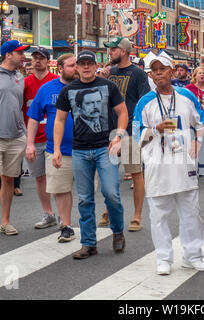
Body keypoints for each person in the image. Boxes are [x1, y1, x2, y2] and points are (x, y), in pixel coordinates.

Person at [133, 56, 204, 275]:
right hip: (158, 165)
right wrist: (155, 129)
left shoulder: (186, 96)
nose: (158, 73)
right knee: (158, 214)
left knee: (191, 213)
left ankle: (193, 255)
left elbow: (202, 122)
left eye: (162, 69)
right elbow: (136, 133)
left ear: (172, 71)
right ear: (150, 75)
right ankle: (163, 257)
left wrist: (197, 142)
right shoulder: (144, 102)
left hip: (184, 164)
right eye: (154, 70)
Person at [53, 50, 128, 259]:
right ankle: (89, 243)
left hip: (106, 148)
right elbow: (59, 120)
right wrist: (57, 149)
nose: (86, 67)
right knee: (85, 198)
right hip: (79, 150)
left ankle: (118, 231)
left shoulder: (109, 86)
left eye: (90, 63)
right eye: (82, 63)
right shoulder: (68, 91)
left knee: (111, 193)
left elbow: (122, 113)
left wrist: (119, 136)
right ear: (76, 67)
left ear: (96, 66)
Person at [25, 53, 79, 242]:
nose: (76, 68)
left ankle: (91, 226)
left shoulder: (85, 86)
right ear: (61, 68)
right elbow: (34, 117)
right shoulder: (47, 89)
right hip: (57, 149)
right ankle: (66, 225)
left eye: (77, 65)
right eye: (72, 65)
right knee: (61, 189)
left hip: (86, 148)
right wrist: (30, 144)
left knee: (90, 192)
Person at [104, 37, 151, 232]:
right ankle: (108, 210)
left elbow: (144, 101)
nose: (110, 53)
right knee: (109, 174)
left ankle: (137, 216)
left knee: (135, 173)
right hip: (110, 131)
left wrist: (141, 130)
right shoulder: (109, 72)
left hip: (130, 132)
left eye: (113, 50)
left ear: (123, 51)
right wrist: (102, 77)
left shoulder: (138, 74)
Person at [23, 46, 59, 229]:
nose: (37, 61)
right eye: (34, 57)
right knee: (40, 177)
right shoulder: (25, 83)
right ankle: (49, 213)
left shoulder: (56, 81)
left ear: (47, 61)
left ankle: (63, 214)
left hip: (54, 139)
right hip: (34, 139)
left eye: (41, 58)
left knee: (58, 176)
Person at [0, 40, 30, 235]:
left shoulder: (20, 76)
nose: (23, 56)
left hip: (16, 136)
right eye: (19, 52)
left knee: (9, 180)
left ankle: (5, 221)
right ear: (8, 54)